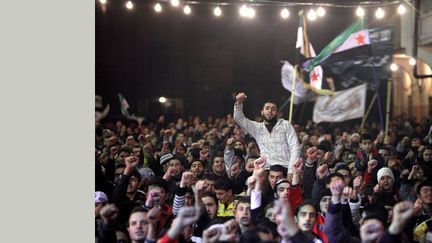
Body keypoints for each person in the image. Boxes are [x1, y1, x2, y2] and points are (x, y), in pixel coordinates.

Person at [233, 92, 300, 172]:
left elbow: (295, 147)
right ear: (262, 112)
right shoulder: (257, 128)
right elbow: (239, 119)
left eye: (273, 109)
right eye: (267, 108)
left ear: (277, 113)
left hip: (285, 167)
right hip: (265, 168)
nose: (270, 111)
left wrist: (291, 170)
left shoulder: (285, 125)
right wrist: (239, 103)